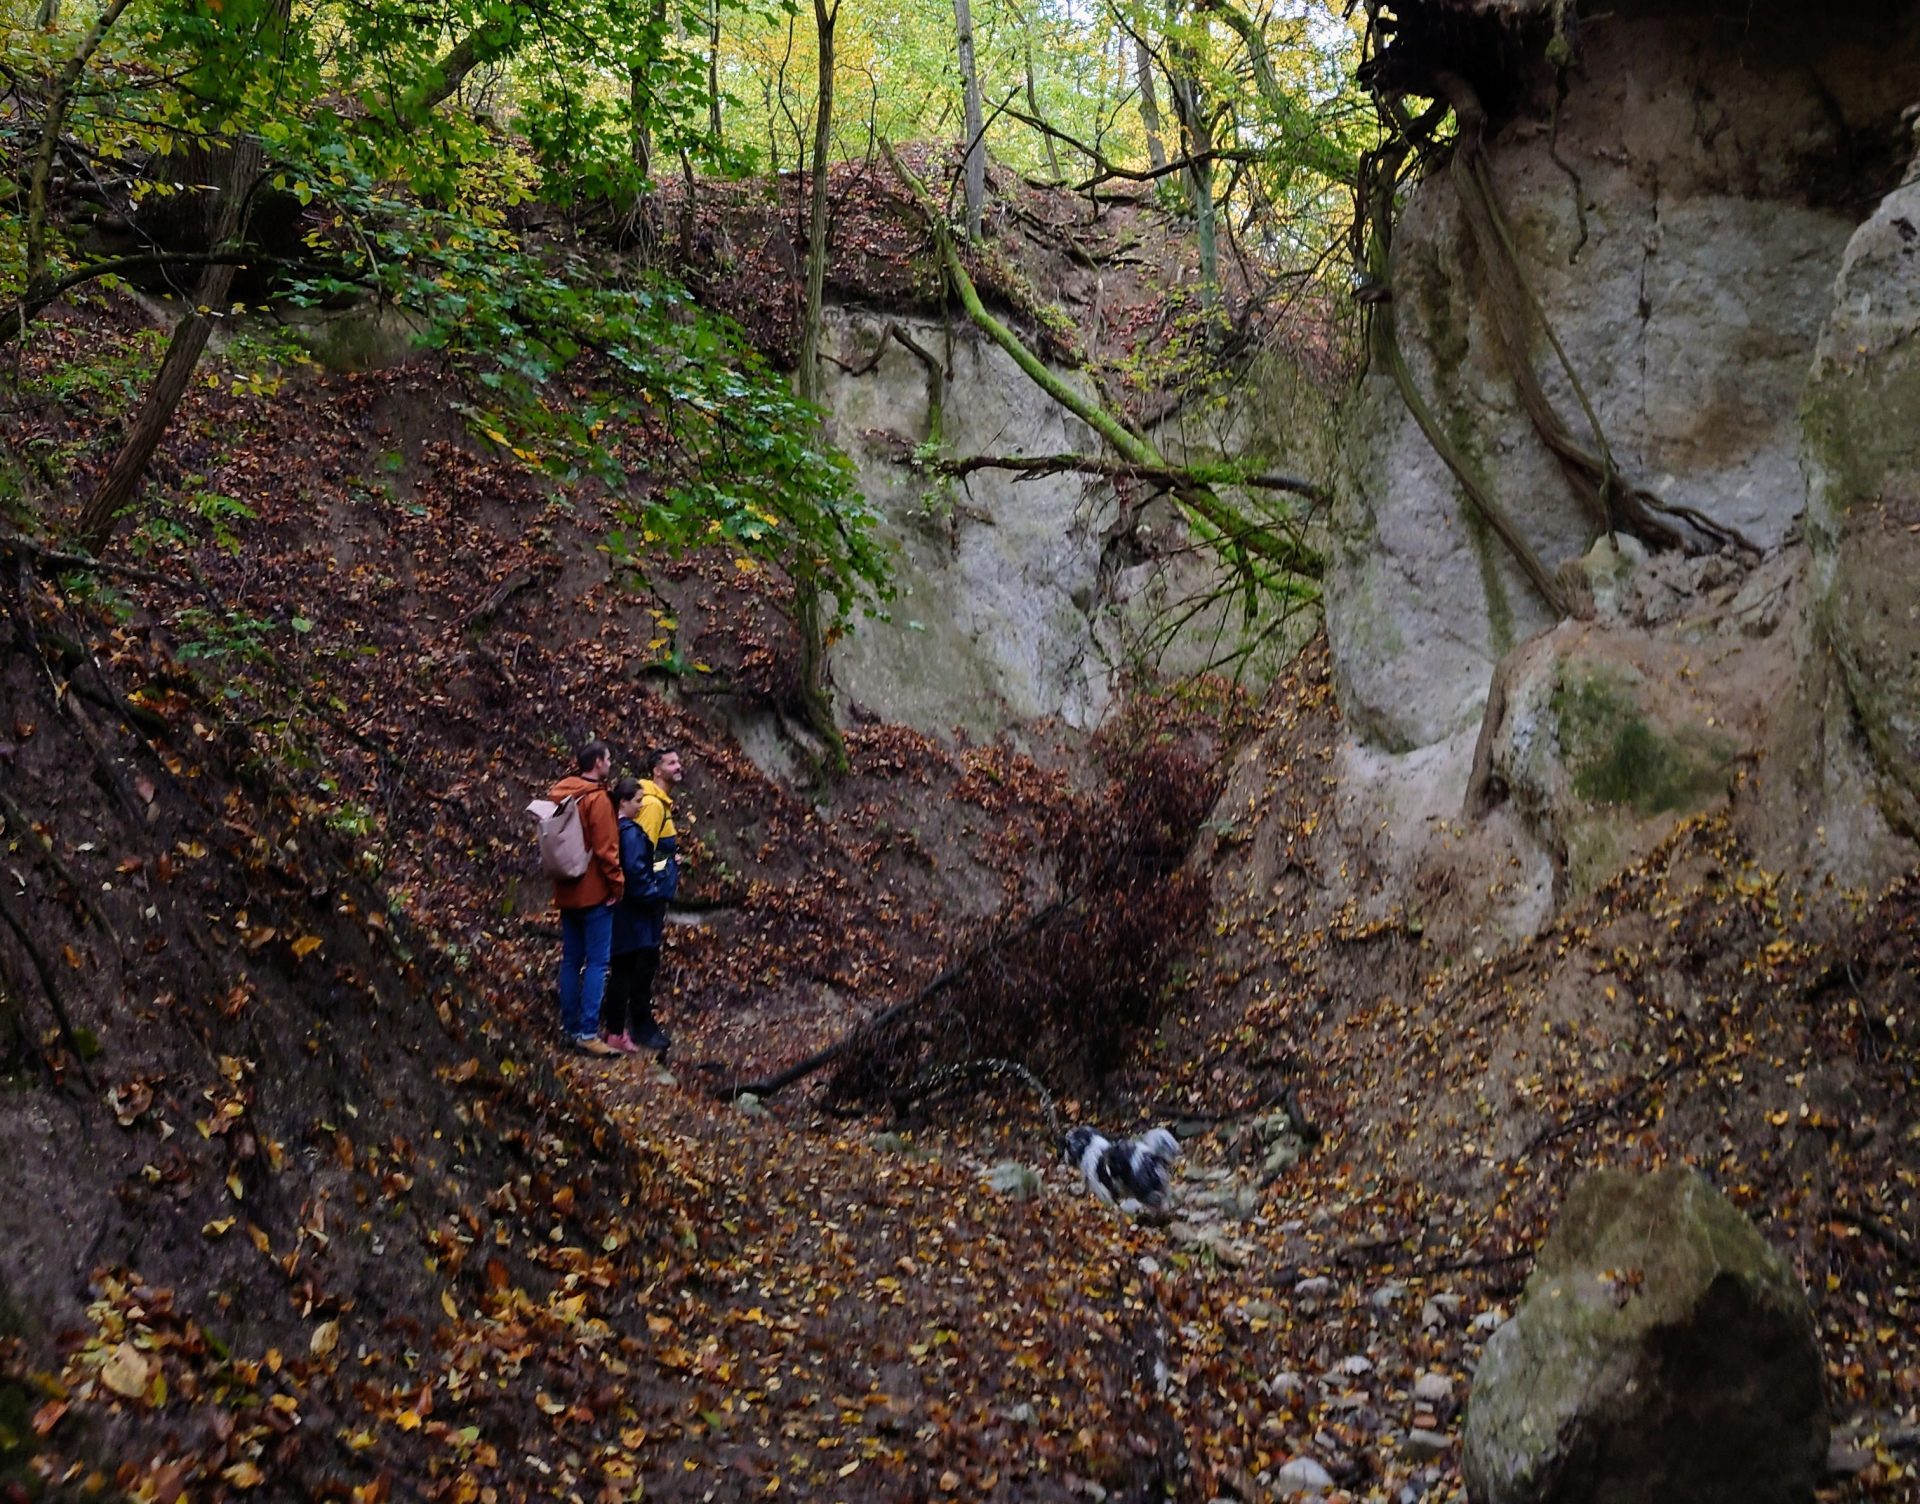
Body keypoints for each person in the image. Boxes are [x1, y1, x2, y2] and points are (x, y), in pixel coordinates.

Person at [549, 739, 622, 1056]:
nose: (610, 763)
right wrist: (617, 886)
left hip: (565, 888)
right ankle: (588, 1032)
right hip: (594, 893)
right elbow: (607, 851)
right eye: (607, 759)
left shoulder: (561, 793)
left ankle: (569, 1026)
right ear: (597, 764)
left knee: (570, 961)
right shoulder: (597, 800)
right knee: (597, 963)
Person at [610, 747, 681, 1055]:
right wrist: (661, 874)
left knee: (644, 960)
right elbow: (640, 856)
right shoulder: (651, 806)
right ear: (656, 770)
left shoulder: (658, 803)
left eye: (678, 761)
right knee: (641, 961)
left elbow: (653, 854)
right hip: (645, 903)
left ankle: (635, 1023)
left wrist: (670, 861)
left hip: (650, 899)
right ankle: (639, 1025)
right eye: (672, 763)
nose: (679, 767)